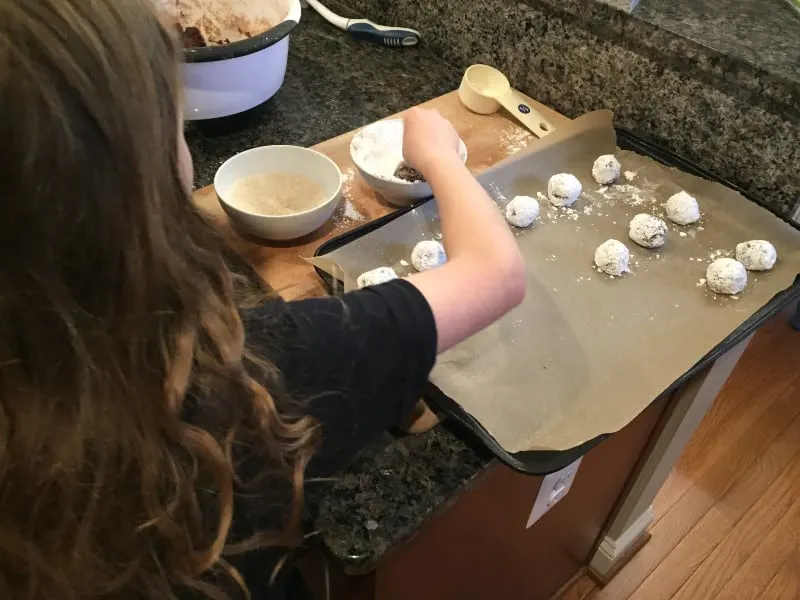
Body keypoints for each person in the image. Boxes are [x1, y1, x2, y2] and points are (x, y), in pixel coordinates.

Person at [0, 1, 525, 599]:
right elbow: (495, 272)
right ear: (144, 177)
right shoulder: (255, 368)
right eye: (178, 125)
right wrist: (435, 153)